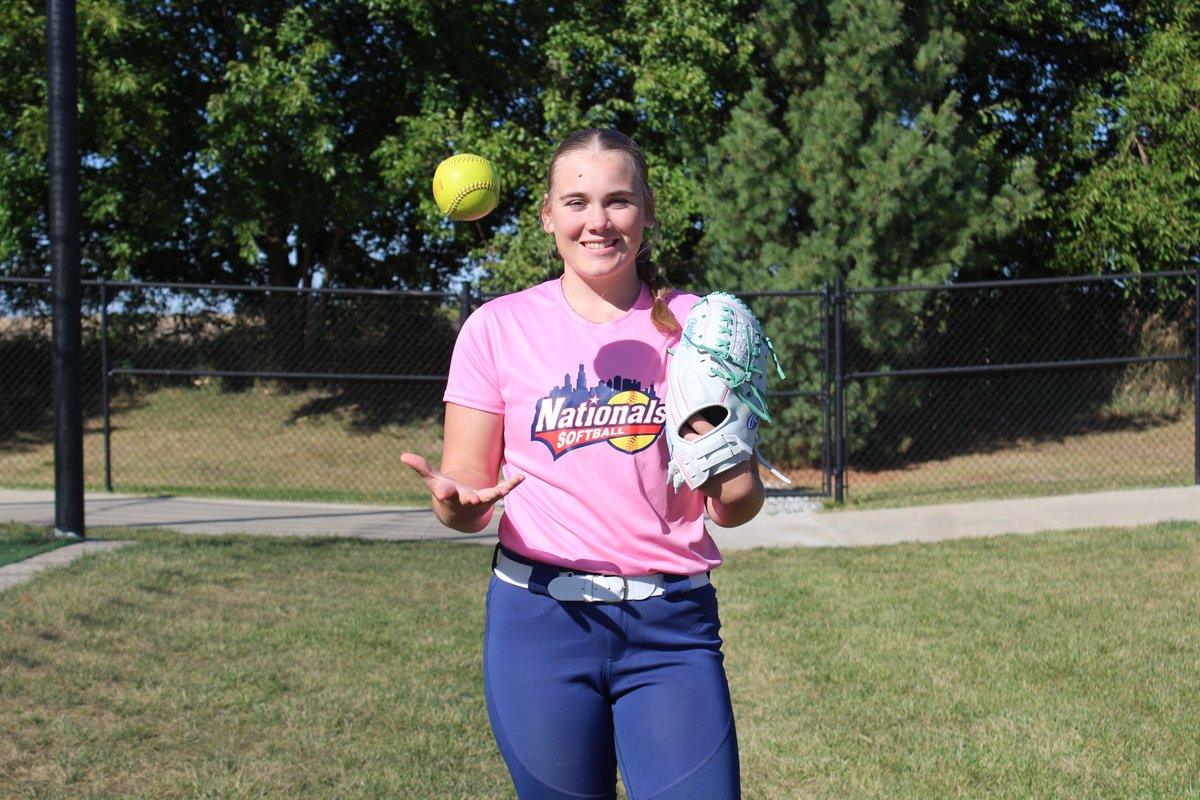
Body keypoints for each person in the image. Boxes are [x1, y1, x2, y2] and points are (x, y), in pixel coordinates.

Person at [401, 128, 764, 800]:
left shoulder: (697, 328)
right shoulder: (497, 327)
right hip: (540, 626)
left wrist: (733, 466)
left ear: (648, 210)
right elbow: (464, 492)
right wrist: (456, 505)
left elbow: (734, 507)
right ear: (547, 215)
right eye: (576, 201)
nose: (597, 221)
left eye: (618, 201)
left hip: (672, 628)